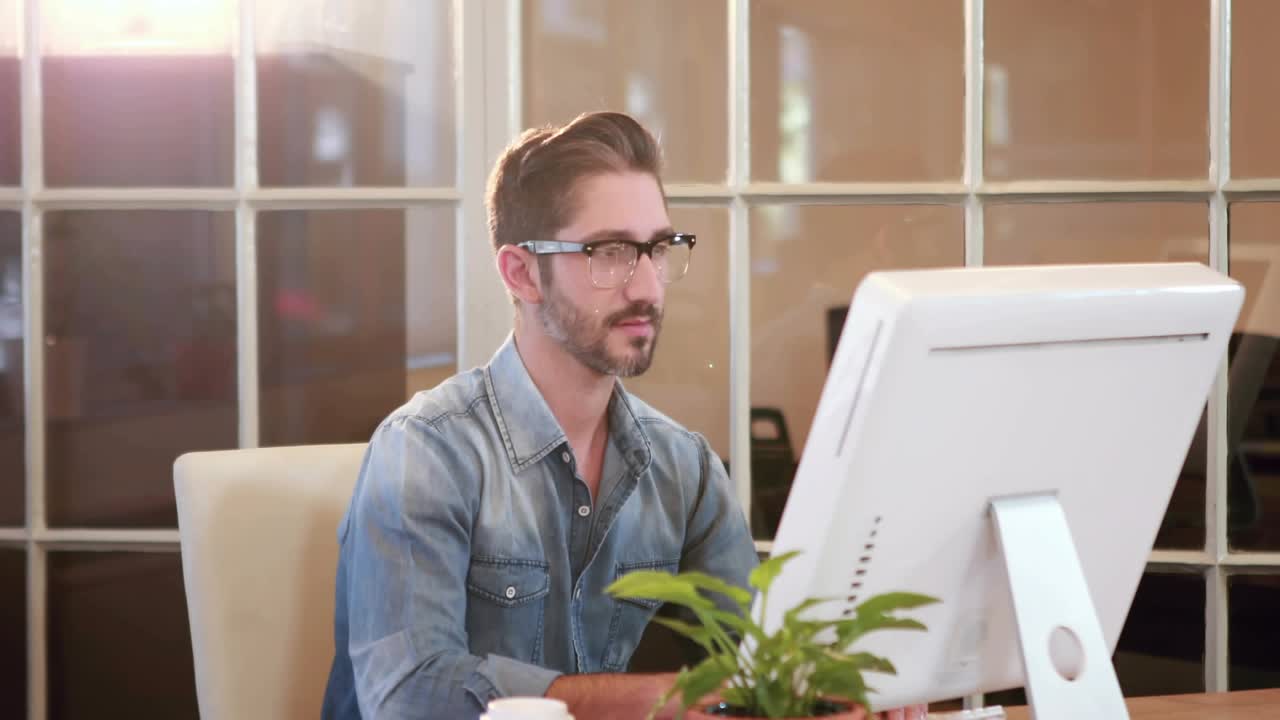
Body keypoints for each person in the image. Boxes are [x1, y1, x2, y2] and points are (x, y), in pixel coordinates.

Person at [320, 110, 927, 720]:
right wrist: (663, 701)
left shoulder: (683, 468)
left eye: (657, 249)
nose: (647, 287)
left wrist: (830, 687)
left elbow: (755, 662)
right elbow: (407, 694)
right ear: (522, 273)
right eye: (609, 252)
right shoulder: (427, 452)